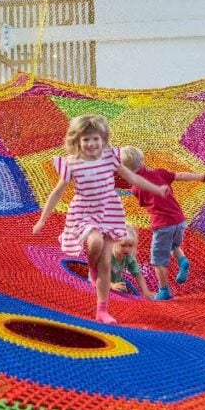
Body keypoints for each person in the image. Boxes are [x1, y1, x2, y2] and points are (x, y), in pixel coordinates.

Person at [32, 115, 168, 324]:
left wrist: (156, 189)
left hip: (109, 211)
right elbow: (57, 193)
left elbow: (132, 178)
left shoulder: (109, 158)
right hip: (84, 212)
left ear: (103, 139)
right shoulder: (71, 164)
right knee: (95, 242)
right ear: (77, 141)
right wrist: (42, 220)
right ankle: (91, 269)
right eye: (86, 139)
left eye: (95, 138)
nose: (91, 143)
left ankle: (102, 310)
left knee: (106, 262)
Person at [120, 146, 205, 301]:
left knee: (158, 260)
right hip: (179, 219)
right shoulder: (159, 172)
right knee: (173, 246)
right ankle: (182, 260)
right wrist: (203, 176)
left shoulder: (136, 188)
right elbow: (181, 175)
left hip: (163, 224)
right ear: (142, 160)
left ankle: (164, 291)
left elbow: (144, 203)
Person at [108, 224, 153, 298]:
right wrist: (112, 285)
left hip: (117, 285)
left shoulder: (129, 258)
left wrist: (146, 292)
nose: (127, 249)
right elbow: (96, 276)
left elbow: (138, 275)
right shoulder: (108, 256)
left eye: (130, 246)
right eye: (123, 245)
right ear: (114, 243)